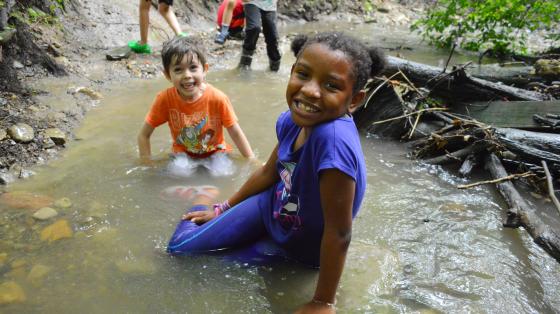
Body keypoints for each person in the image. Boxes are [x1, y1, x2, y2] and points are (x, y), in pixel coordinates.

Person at [167, 31, 386, 313]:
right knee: (180, 250)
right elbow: (270, 171)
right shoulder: (294, 119)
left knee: (216, 264)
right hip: (270, 206)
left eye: (331, 85)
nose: (310, 90)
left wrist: (323, 302)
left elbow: (339, 231)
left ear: (354, 100)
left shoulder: (333, 144)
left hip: (299, 246)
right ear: (292, 71)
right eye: (303, 74)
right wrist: (222, 208)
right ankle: (203, 202)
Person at [137, 36, 255, 177]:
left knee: (223, 174)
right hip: (183, 153)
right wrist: (147, 167)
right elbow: (143, 135)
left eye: (193, 68)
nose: (187, 75)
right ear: (168, 75)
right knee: (179, 174)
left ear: (204, 69)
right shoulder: (165, 99)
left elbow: (235, 132)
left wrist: (251, 160)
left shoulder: (218, 98)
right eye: (178, 70)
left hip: (216, 151)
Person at [238, 0, 281, 71]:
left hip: (269, 4)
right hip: (252, 2)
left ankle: (274, 67)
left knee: (272, 36)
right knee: (254, 28)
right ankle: (244, 64)